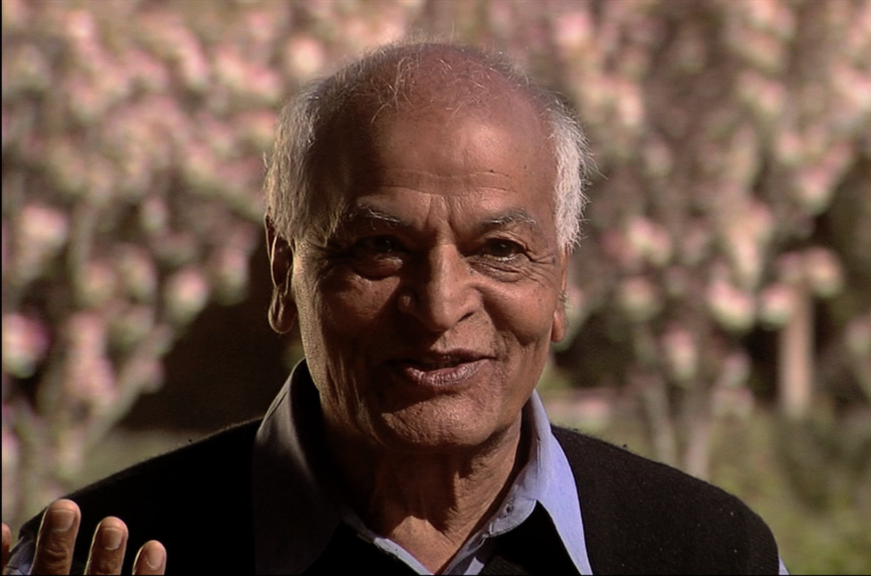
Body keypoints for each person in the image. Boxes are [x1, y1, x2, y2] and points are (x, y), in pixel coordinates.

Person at [1, 41, 786, 575]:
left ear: (560, 284)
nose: (439, 307)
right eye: (380, 248)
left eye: (499, 250)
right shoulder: (112, 555)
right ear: (284, 273)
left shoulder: (709, 554)